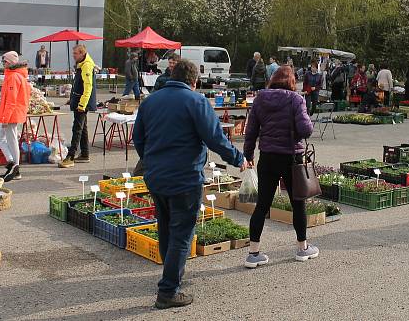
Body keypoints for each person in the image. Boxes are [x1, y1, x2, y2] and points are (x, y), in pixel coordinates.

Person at [132, 59, 246, 308]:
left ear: (173, 74)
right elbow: (216, 139)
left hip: (156, 176)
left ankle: (169, 276)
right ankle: (168, 290)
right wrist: (238, 159)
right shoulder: (196, 102)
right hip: (185, 177)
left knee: (165, 227)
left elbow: (138, 139)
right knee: (182, 234)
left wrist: (151, 161)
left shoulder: (150, 101)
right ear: (194, 82)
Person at [242, 65, 317, 269]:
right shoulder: (296, 99)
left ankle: (253, 253)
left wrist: (248, 155)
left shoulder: (260, 99)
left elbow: (251, 132)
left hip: (267, 157)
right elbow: (305, 129)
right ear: (291, 82)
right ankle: (302, 248)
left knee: (262, 205)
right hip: (292, 158)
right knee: (297, 203)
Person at [60, 45, 96, 168]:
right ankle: (85, 153)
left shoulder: (86, 65)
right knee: (83, 127)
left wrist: (82, 104)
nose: (73, 55)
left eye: (75, 53)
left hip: (82, 102)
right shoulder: (82, 64)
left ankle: (70, 156)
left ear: (82, 53)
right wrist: (72, 99)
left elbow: (88, 86)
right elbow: (78, 84)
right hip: (79, 100)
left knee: (77, 128)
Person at [0, 51, 31, 182]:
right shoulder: (15, 75)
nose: (3, 63)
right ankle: (12, 164)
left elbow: (11, 100)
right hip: (13, 113)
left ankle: (15, 167)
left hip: (12, 113)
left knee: (10, 140)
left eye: (5, 61)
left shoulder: (13, 77)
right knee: (5, 139)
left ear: (10, 62)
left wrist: (5, 118)